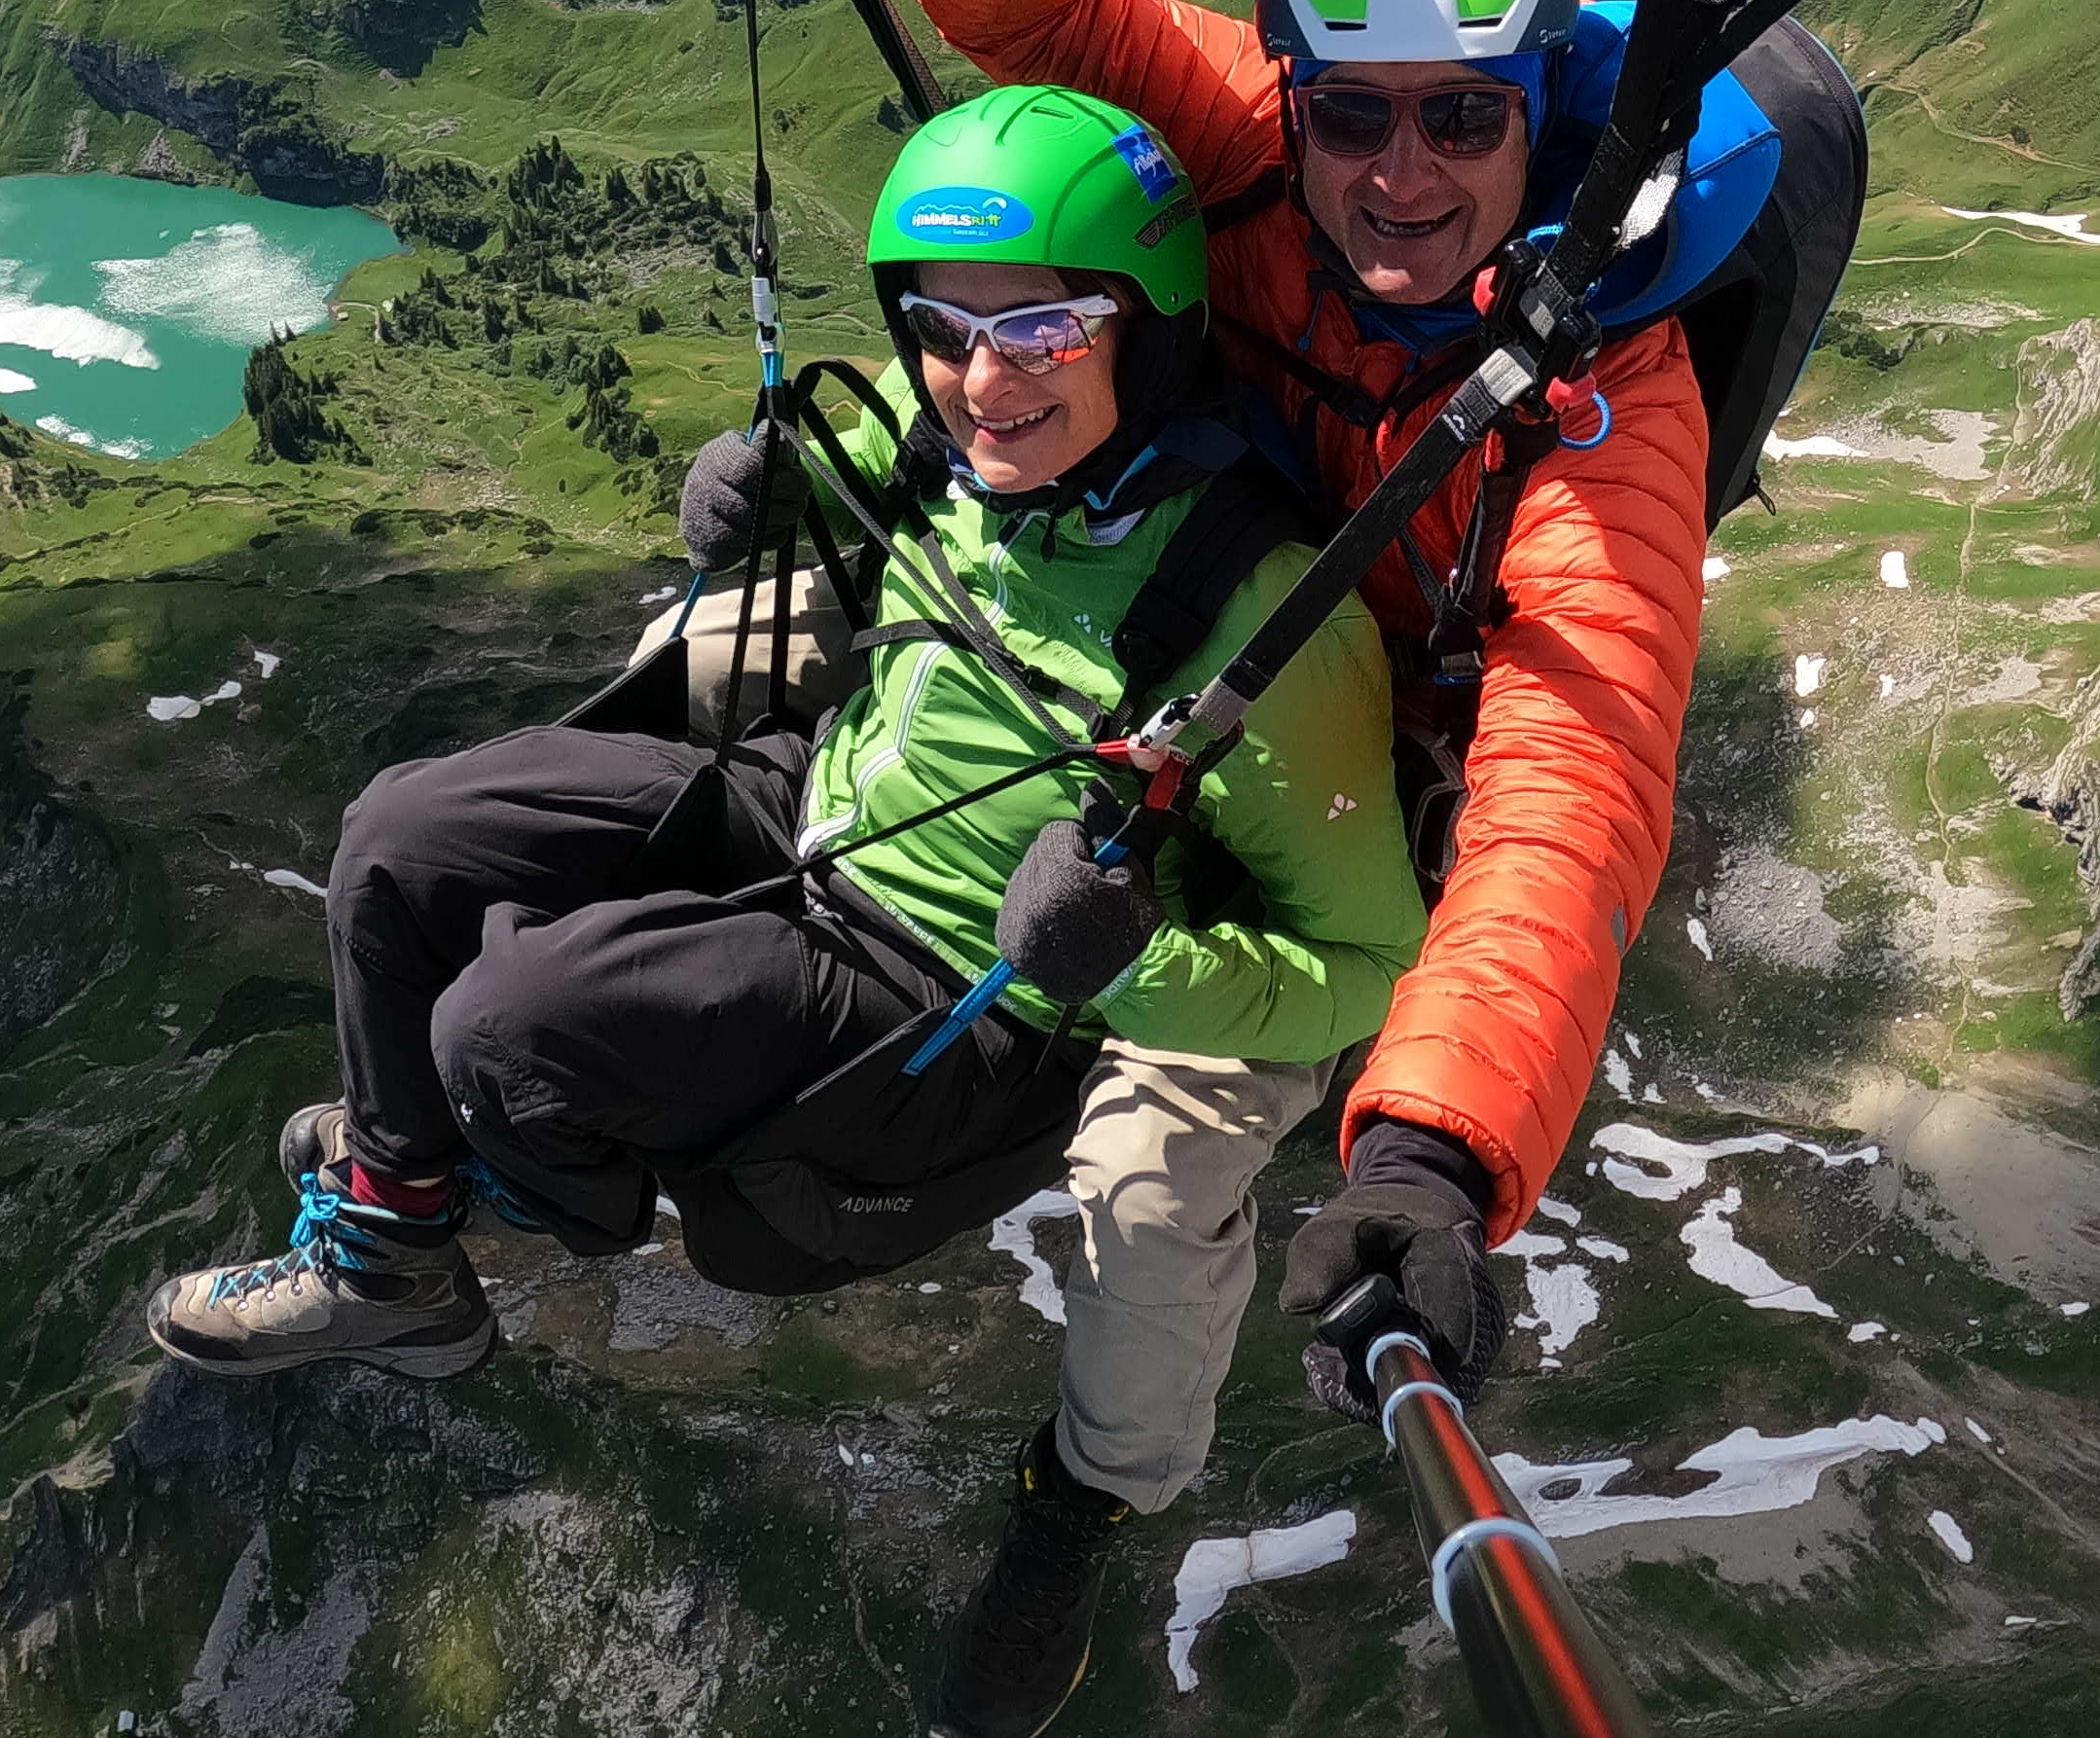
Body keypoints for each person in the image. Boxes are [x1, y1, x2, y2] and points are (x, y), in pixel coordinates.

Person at [148, 86, 1424, 1725]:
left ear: (1150, 328)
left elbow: (1366, 967)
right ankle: (398, 1243)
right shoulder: (947, 440)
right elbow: (888, 553)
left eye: (1043, 326)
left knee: (504, 1024)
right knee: (400, 838)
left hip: (957, 994)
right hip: (806, 807)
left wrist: (1135, 964)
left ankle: (1066, 1505)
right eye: (944, 329)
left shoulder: (1264, 622)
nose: (983, 376)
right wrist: (758, 522)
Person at [900, 0, 1722, 1495]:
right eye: (1354, 113)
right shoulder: (1243, 141)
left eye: (1462, 119)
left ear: (1544, 116)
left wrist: (1431, 1152)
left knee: (1149, 1182)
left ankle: (1090, 1497)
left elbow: (1568, 788)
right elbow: (1003, 3)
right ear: (1293, 97)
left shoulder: (1609, 402)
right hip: (1154, 637)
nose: (1400, 175)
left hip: (1337, 814)